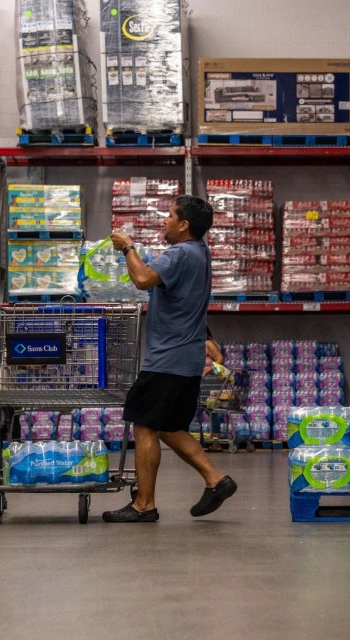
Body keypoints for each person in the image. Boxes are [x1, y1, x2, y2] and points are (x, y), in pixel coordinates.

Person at [103, 195, 237, 523]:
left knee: (145, 422)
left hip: (167, 358)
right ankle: (216, 480)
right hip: (186, 357)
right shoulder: (201, 254)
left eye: (170, 215)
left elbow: (143, 279)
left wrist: (127, 248)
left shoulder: (179, 253)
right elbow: (186, 302)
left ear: (184, 224)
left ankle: (144, 505)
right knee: (169, 426)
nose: (165, 220)